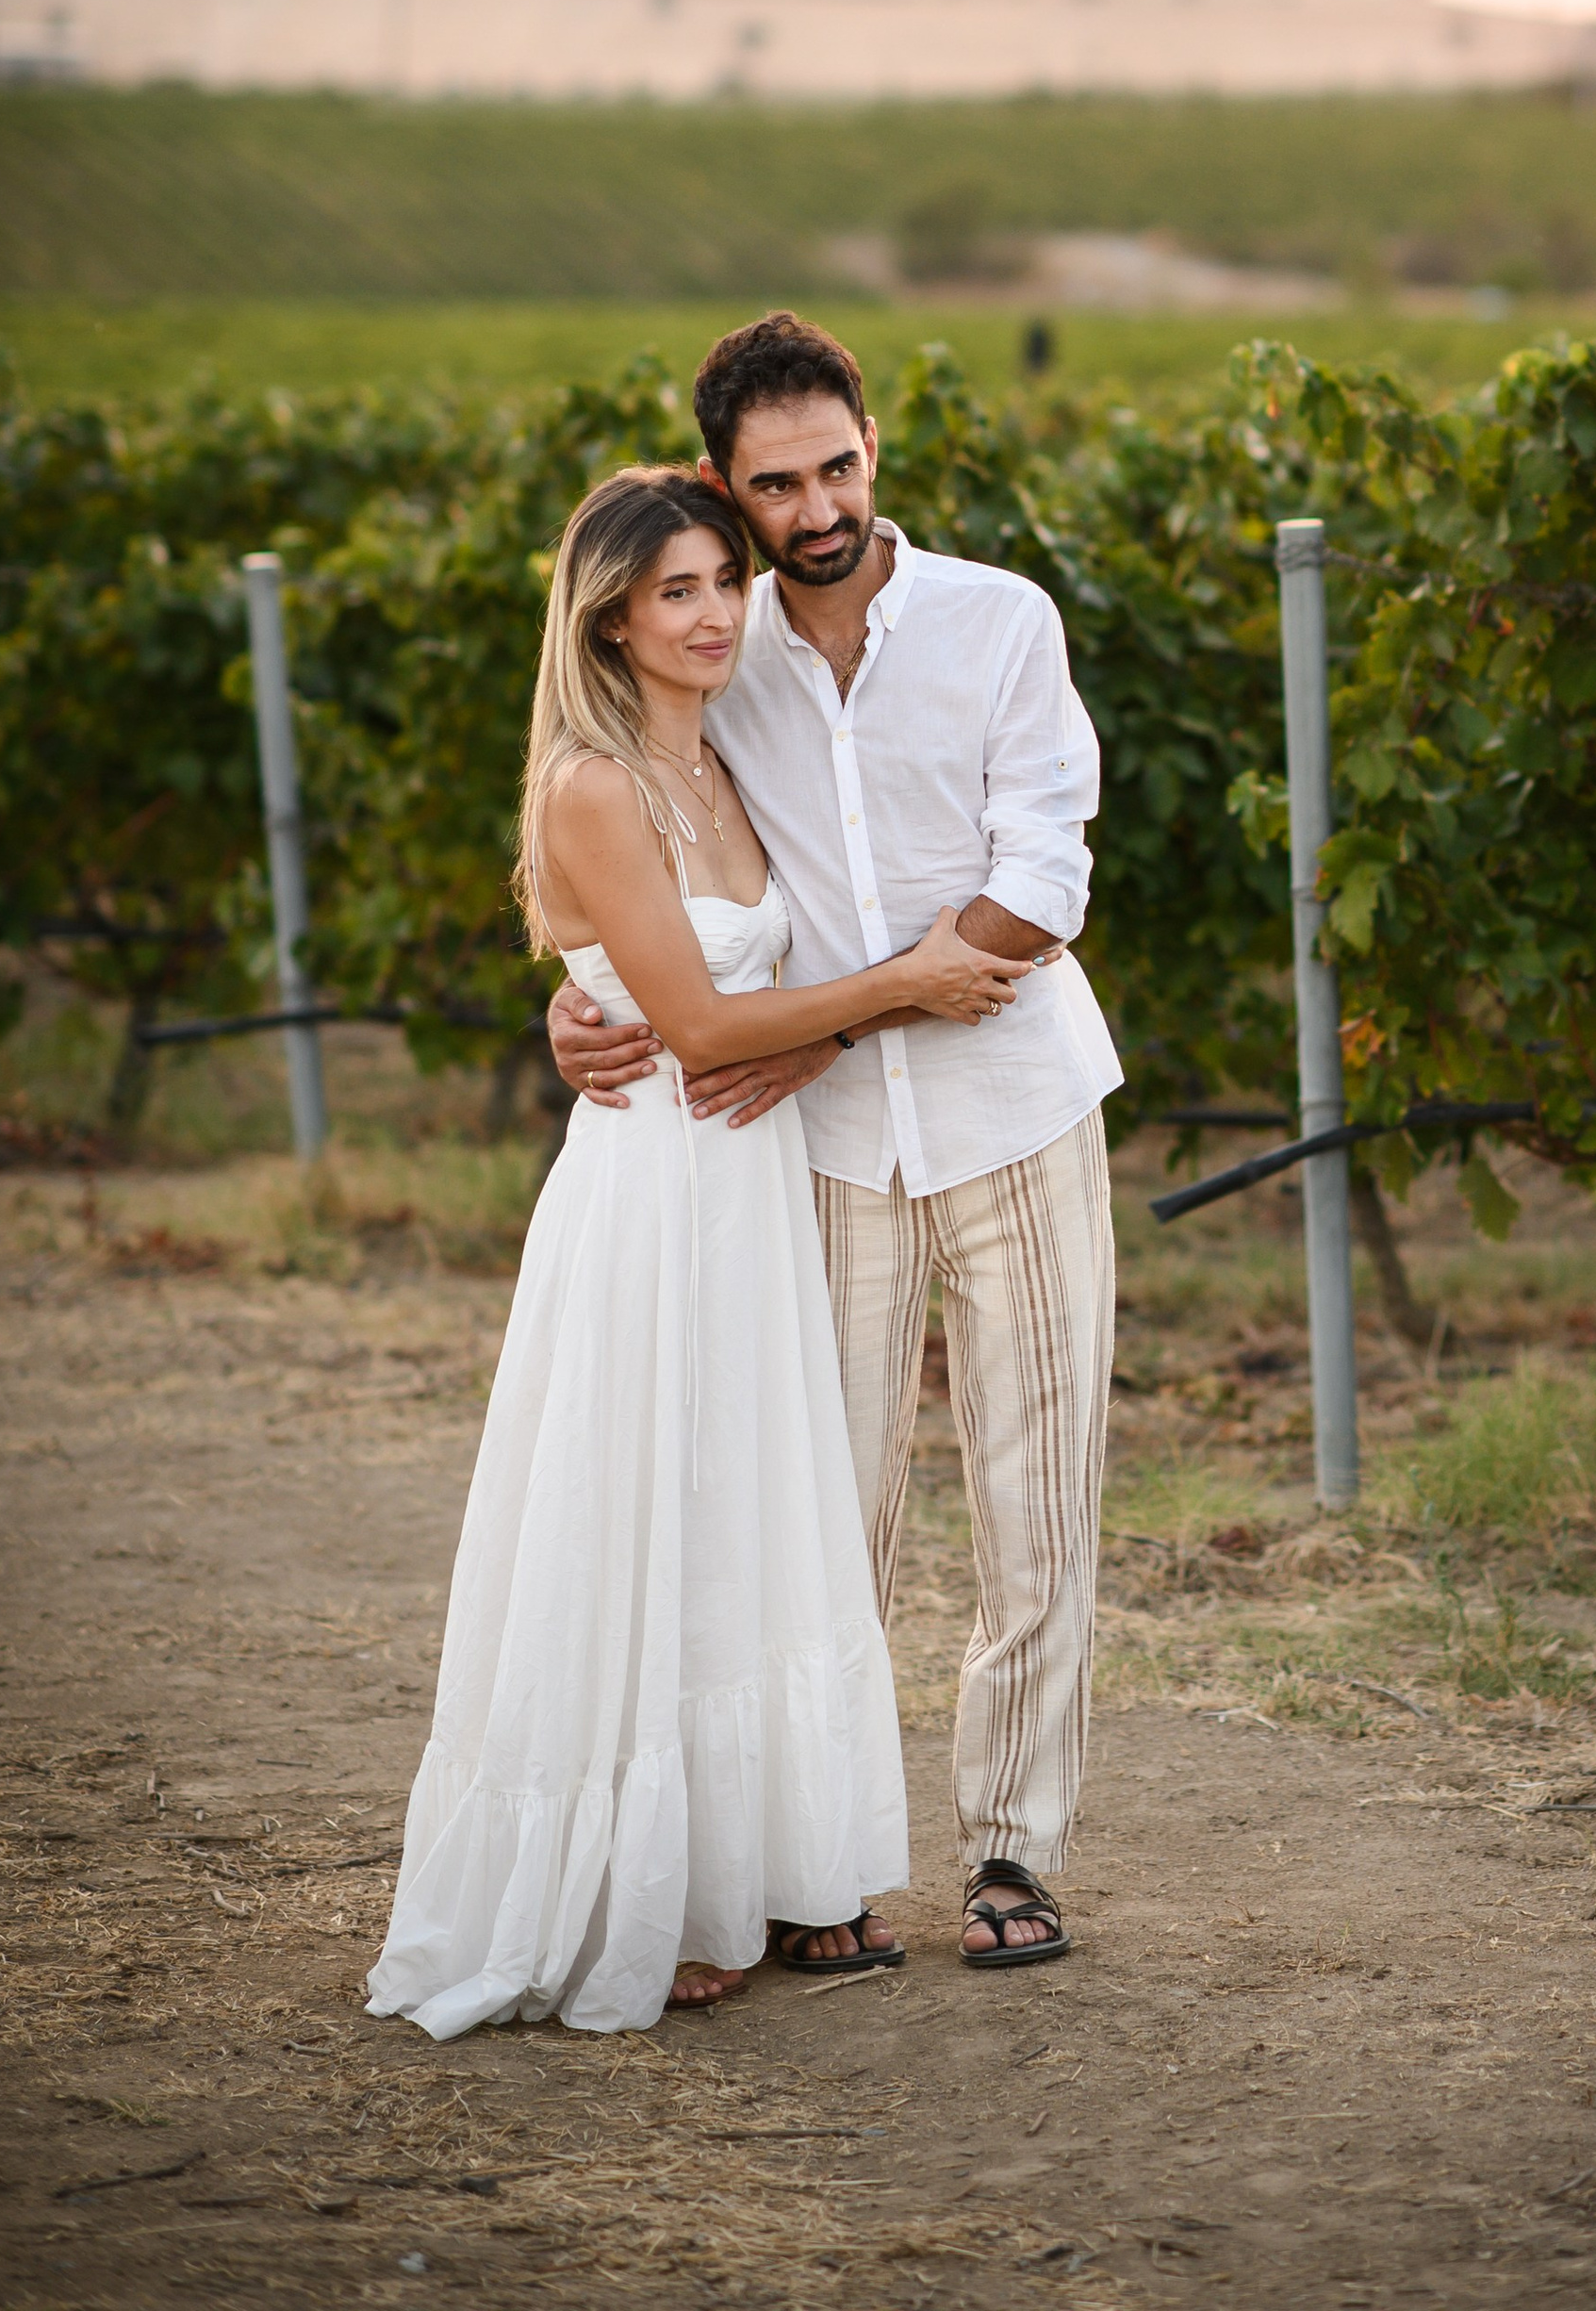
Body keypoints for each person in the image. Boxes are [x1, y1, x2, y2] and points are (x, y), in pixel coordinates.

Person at [369, 465, 1041, 2039]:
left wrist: (891, 980)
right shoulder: (593, 784)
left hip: (749, 1191)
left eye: (725, 583)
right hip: (653, 1201)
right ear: (610, 614)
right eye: (678, 590)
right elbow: (694, 1024)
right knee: (640, 1517)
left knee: (732, 1521)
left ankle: (726, 1882)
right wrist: (911, 983)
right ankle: (627, 1893)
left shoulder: (727, 757)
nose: (718, 612)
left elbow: (720, 992)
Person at [551, 313, 1121, 1970]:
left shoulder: (1002, 624)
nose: (815, 511)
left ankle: (1013, 1857)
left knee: (1039, 1510)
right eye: (776, 488)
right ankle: (822, 1864)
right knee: (819, 1523)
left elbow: (1047, 884)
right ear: (730, 494)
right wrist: (582, 1008)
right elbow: (650, 889)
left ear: (875, 443)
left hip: (1017, 1115)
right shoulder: (718, 669)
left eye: (838, 469)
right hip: (816, 1152)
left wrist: (854, 1016)